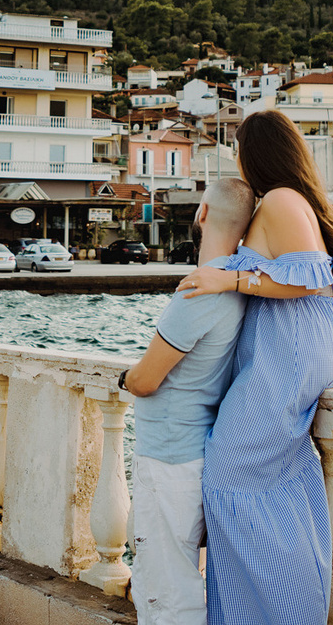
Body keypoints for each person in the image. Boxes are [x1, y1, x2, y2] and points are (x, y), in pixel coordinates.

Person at [178, 109, 333, 625]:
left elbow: (309, 279)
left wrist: (232, 280)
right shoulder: (285, 202)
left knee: (228, 474)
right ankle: (281, 608)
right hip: (294, 350)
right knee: (276, 484)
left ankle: (277, 611)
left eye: (239, 152)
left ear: (255, 154)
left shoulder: (282, 200)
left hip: (293, 351)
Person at [119, 177, 255, 625]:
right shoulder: (235, 287)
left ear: (202, 213)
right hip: (196, 450)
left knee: (166, 590)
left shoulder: (198, 292)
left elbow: (145, 380)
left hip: (168, 455)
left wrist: (125, 378)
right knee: (178, 579)